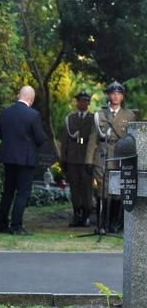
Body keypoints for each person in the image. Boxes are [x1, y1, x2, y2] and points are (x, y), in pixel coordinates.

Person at [85, 81, 136, 233]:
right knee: (102, 190)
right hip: (102, 155)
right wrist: (89, 160)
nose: (115, 96)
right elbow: (92, 139)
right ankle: (101, 224)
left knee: (117, 192)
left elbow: (133, 140)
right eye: (113, 93)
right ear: (108, 95)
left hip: (120, 157)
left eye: (119, 93)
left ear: (122, 96)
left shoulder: (130, 115)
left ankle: (114, 223)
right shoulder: (100, 115)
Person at [0, 86, 46, 235]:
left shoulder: (6, 112)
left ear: (19, 95)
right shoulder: (33, 115)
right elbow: (40, 138)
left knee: (8, 192)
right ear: (31, 99)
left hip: (8, 157)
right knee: (22, 193)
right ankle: (16, 225)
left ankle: (2, 224)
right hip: (25, 159)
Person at [59, 91, 94, 227]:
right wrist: (63, 160)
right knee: (74, 189)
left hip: (86, 160)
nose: (82, 103)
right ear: (77, 102)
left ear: (89, 103)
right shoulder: (70, 119)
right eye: (80, 101)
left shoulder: (93, 119)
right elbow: (64, 140)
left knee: (86, 189)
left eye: (85, 101)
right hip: (72, 159)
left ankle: (86, 215)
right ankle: (77, 214)